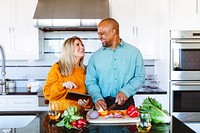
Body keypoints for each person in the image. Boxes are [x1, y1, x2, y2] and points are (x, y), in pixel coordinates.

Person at [85, 18, 146, 111]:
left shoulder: (134, 53)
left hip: (127, 104)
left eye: (102, 33)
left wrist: (126, 91)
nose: (99, 37)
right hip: (102, 106)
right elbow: (91, 82)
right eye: (98, 34)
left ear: (113, 31)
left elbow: (140, 77)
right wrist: (97, 98)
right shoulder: (95, 57)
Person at [43, 36, 92, 111]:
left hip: (77, 117)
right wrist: (62, 85)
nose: (82, 47)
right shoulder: (57, 67)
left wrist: (86, 103)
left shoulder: (84, 70)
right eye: (77, 45)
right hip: (59, 116)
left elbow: (89, 99)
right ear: (69, 49)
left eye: (82, 45)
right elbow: (47, 93)